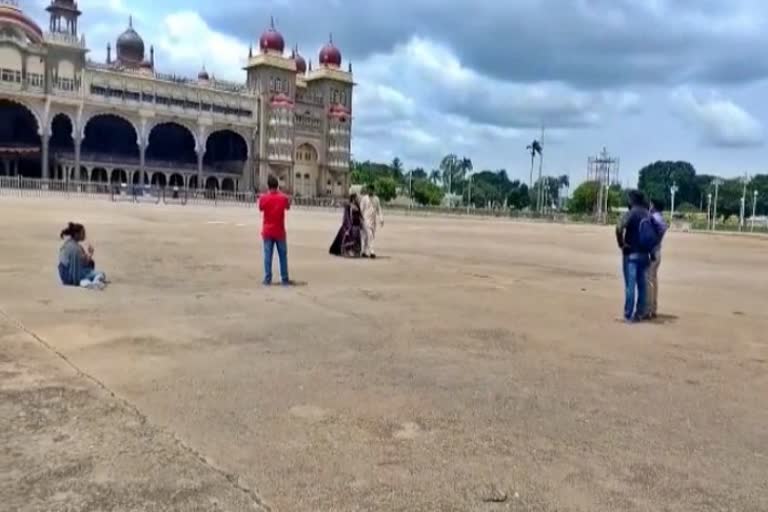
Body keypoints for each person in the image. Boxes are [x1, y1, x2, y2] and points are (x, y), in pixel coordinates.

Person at [615, 190, 651, 322]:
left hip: (631, 253)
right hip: (644, 254)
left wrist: (621, 243)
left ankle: (628, 314)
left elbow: (619, 228)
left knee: (630, 286)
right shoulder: (648, 214)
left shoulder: (631, 213)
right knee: (642, 285)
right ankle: (640, 313)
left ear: (632, 200)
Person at [258, 175, 291, 285]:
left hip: (267, 231)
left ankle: (267, 279)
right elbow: (288, 207)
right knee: (282, 256)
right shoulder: (283, 198)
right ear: (277, 186)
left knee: (268, 256)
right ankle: (284, 279)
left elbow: (261, 208)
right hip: (279, 231)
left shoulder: (264, 198)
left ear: (268, 186)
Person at [58, 222, 107, 290]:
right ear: (76, 234)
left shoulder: (69, 243)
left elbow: (83, 261)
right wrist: (77, 281)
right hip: (70, 276)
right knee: (101, 274)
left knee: (91, 264)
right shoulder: (75, 248)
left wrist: (90, 254)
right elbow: (78, 266)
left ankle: (91, 281)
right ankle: (92, 282)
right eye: (83, 233)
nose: (84, 235)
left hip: (65, 275)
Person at [644, 199, 668, 319]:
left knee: (648, 281)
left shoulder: (653, 218)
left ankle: (647, 310)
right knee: (653, 280)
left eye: (651, 204)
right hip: (657, 252)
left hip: (651, 253)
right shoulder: (659, 218)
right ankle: (653, 308)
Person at [329, 193, 363, 257]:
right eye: (356, 198)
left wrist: (361, 223)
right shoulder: (348, 206)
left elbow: (360, 215)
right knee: (349, 239)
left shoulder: (357, 205)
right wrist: (348, 227)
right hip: (351, 225)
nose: (357, 199)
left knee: (356, 239)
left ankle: (355, 252)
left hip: (357, 225)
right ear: (353, 198)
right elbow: (346, 216)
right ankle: (347, 252)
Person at [359, 184, 384, 258]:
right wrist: (360, 219)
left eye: (371, 189)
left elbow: (379, 209)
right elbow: (361, 209)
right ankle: (371, 251)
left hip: (373, 221)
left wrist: (381, 218)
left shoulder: (376, 199)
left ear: (373, 190)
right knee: (368, 236)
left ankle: (363, 251)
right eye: (368, 189)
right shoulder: (364, 199)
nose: (370, 191)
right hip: (365, 220)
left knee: (369, 236)